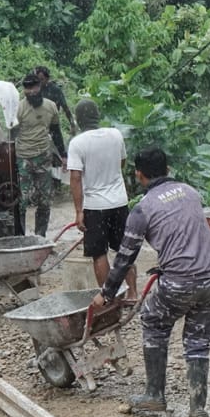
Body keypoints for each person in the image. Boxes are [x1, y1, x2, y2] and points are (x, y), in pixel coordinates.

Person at [93, 148, 210, 417]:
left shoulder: (142, 209)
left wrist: (105, 294)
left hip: (179, 280)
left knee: (153, 320)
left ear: (139, 175)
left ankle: (155, 394)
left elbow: (125, 258)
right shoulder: (190, 192)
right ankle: (197, 406)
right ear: (168, 168)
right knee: (198, 341)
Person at [67, 99, 135, 293]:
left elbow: (75, 178)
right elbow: (122, 163)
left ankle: (108, 297)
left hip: (95, 207)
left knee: (99, 253)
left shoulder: (77, 143)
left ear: (78, 120)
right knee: (124, 250)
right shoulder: (115, 135)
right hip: (119, 201)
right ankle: (132, 293)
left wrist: (79, 211)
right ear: (98, 116)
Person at [14, 73, 62, 236]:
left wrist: (63, 154)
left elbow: (56, 131)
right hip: (23, 158)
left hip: (43, 157)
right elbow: (11, 133)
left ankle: (40, 237)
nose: (31, 92)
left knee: (45, 200)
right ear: (24, 90)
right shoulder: (18, 108)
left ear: (39, 87)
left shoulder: (50, 106)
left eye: (33, 87)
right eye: (27, 89)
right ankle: (20, 237)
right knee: (22, 200)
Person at [33, 65, 73, 153]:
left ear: (47, 78)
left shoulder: (55, 90)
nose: (38, 82)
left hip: (53, 125)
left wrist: (72, 124)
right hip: (38, 127)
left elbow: (65, 108)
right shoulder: (33, 91)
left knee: (61, 152)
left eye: (41, 79)